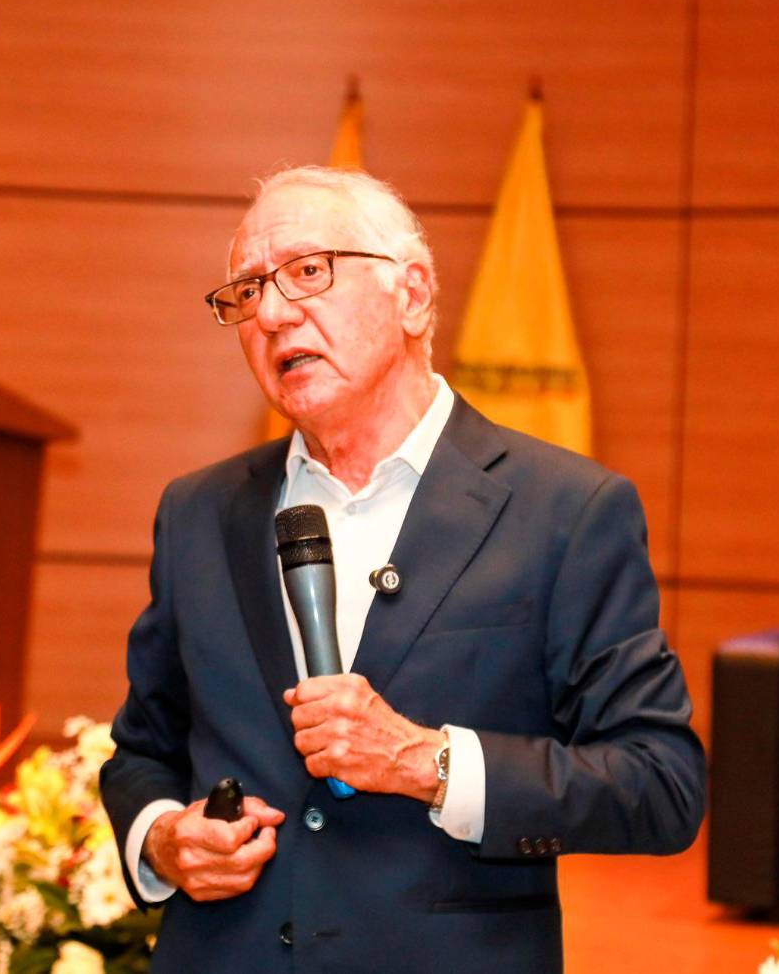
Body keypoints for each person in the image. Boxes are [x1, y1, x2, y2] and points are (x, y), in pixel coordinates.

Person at [100, 166, 706, 973]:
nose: (274, 314)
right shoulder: (199, 513)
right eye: (247, 291)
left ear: (413, 295)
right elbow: (144, 750)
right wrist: (163, 839)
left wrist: (429, 763)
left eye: (309, 272)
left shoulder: (565, 510)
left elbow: (659, 785)